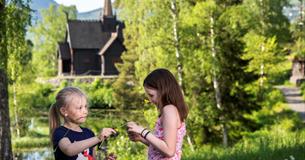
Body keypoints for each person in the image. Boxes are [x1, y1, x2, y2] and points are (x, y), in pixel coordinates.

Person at [127, 68, 188, 160]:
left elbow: (169, 151)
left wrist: (142, 131)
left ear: (163, 90)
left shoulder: (169, 110)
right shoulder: (169, 110)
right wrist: (141, 138)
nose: (150, 100)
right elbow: (162, 147)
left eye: (151, 95)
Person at [49, 86, 116, 160]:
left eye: (86, 107)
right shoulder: (60, 132)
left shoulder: (89, 133)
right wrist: (98, 138)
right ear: (64, 111)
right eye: (79, 108)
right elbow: (69, 150)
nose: (85, 111)